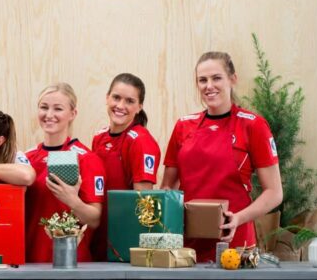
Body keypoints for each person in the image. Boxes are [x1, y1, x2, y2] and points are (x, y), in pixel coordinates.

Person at [161, 52, 283, 262]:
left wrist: (238, 219)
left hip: (235, 244)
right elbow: (167, 188)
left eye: (216, 78)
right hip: (186, 247)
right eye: (202, 80)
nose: (209, 86)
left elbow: (274, 193)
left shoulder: (253, 125)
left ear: (232, 79)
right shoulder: (183, 126)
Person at [24, 83, 106, 263]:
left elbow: (95, 220)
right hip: (29, 261)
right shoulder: (27, 158)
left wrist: (72, 201)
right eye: (44, 107)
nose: (49, 114)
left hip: (69, 262)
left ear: (73, 114)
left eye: (58, 109)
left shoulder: (86, 159)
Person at [90, 73, 161, 260]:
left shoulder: (141, 142)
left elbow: (143, 204)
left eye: (129, 101)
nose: (120, 106)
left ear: (139, 106)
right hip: (97, 238)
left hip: (122, 245)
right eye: (116, 97)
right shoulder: (99, 137)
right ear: (107, 98)